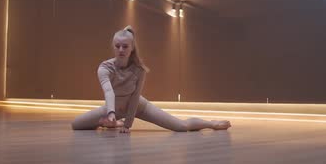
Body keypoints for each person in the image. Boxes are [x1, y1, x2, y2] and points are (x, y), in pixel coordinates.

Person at [71, 26, 231, 133]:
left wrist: (128, 124)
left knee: (181, 127)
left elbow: (134, 97)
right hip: (113, 108)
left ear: (132, 48)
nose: (121, 50)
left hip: (139, 106)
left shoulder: (139, 70)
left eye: (125, 46)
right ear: (113, 46)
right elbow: (108, 91)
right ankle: (110, 122)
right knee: (76, 124)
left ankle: (212, 123)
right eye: (117, 46)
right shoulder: (105, 68)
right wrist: (112, 114)